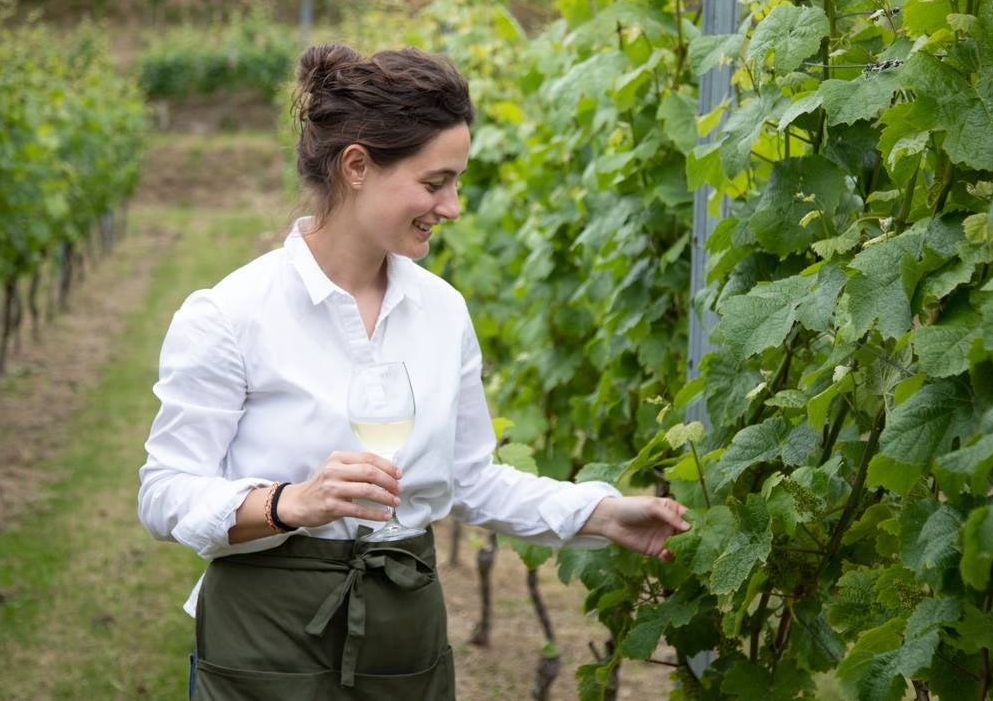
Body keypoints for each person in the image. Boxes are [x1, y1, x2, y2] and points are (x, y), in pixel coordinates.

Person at [137, 43, 690, 700]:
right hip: (266, 632)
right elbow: (165, 492)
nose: (453, 206)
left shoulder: (440, 312)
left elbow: (467, 478)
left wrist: (599, 514)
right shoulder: (231, 315)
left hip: (406, 629)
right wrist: (289, 503)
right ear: (357, 166)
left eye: (455, 182)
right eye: (435, 182)